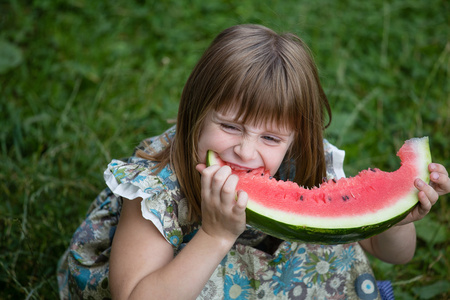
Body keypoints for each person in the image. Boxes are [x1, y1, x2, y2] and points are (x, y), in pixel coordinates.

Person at [57, 24, 450, 300]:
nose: (245, 151)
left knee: (331, 247)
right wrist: (215, 235)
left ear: (297, 138)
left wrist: (395, 218)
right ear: (194, 113)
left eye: (270, 138)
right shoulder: (156, 189)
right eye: (229, 126)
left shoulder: (304, 166)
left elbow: (393, 253)